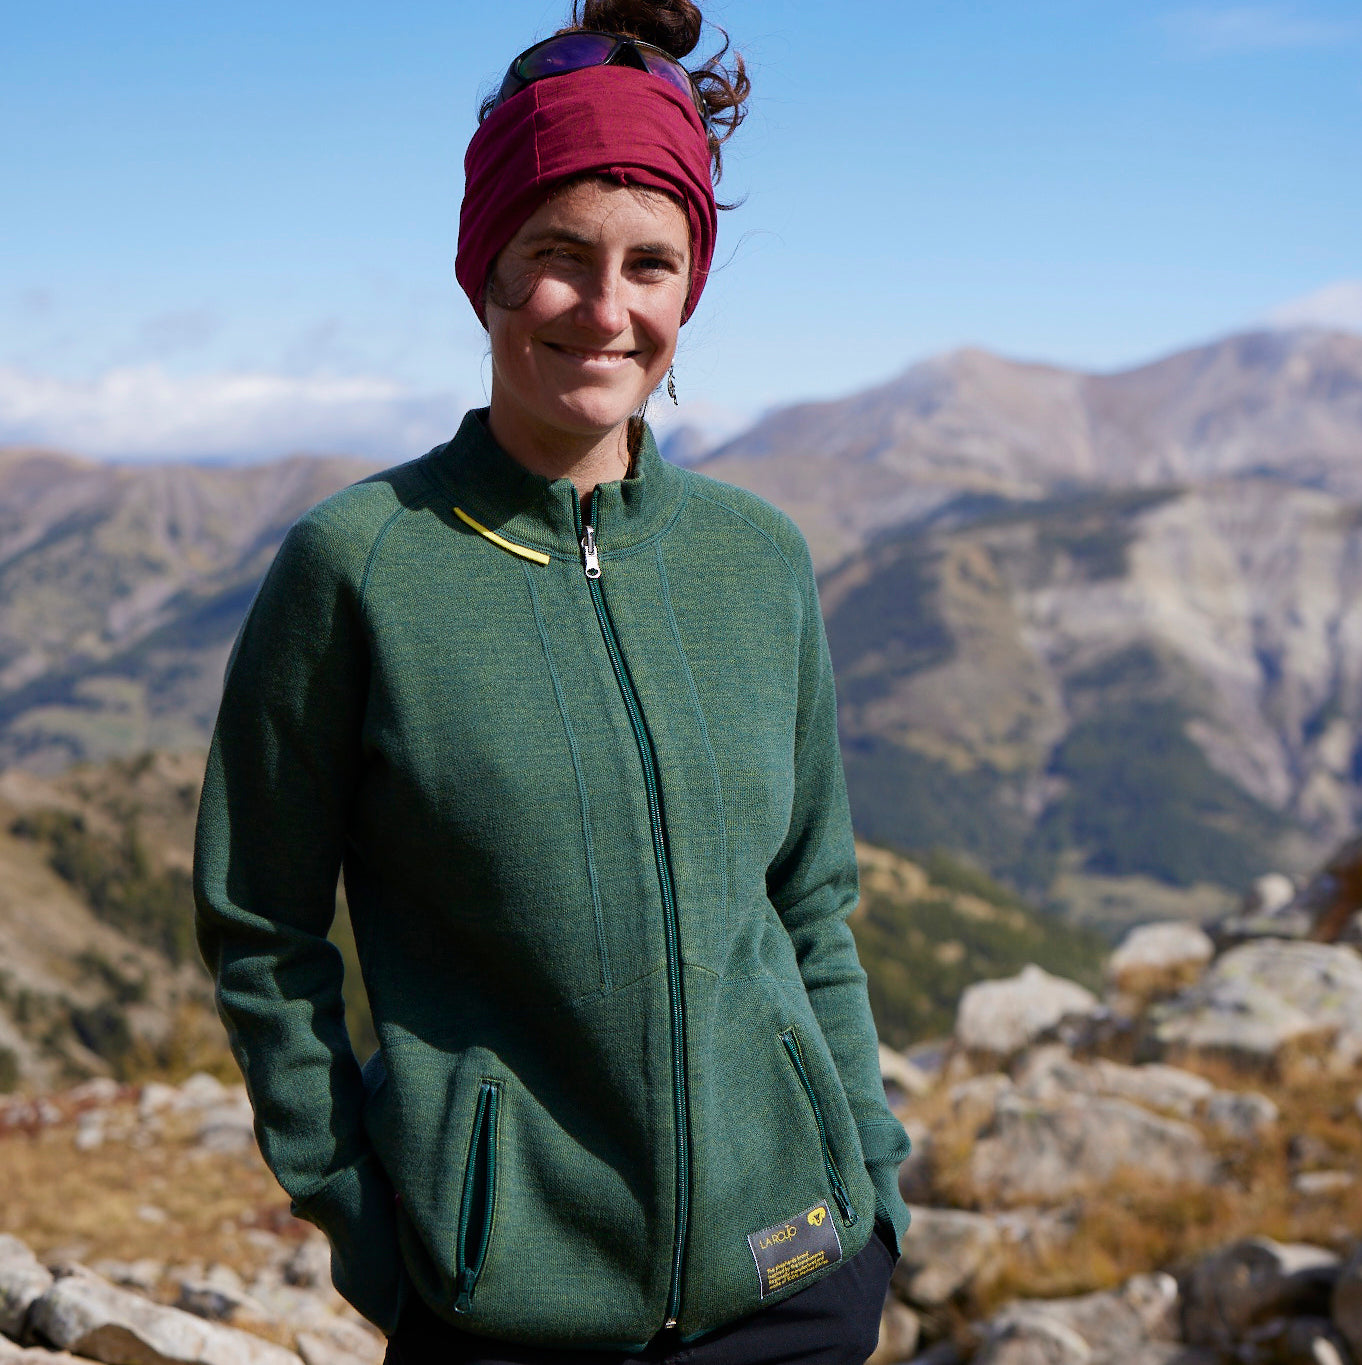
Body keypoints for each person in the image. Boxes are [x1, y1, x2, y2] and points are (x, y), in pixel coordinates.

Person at [192, 1, 912, 1361]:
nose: (606, 306)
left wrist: (867, 1188)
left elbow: (812, 907)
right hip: (500, 1307)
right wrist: (373, 1226)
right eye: (557, 257)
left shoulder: (758, 561)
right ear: (484, 271)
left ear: (690, 286)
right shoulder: (358, 565)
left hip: (797, 1279)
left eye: (651, 263)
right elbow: (258, 927)